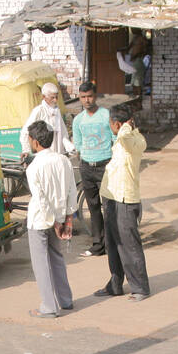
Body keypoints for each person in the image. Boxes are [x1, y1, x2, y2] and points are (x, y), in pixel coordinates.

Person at [24, 120, 77, 319]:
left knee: (41, 264)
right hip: (59, 217)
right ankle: (65, 300)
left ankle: (49, 306)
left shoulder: (34, 167)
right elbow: (72, 190)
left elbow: (41, 200)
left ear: (35, 142)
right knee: (56, 258)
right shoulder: (63, 161)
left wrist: (54, 222)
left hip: (40, 221)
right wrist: (66, 219)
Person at [97, 105, 150, 301]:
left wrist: (125, 126)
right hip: (111, 196)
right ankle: (115, 284)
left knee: (129, 246)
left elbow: (125, 139)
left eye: (111, 124)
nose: (110, 127)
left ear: (117, 124)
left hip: (126, 200)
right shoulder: (123, 138)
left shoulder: (135, 139)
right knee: (113, 244)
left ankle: (140, 288)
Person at [71, 81, 112, 258]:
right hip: (87, 167)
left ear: (95, 96)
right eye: (83, 97)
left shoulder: (106, 115)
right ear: (80, 98)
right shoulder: (78, 120)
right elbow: (78, 143)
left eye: (89, 96)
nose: (87, 100)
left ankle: (112, 245)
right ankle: (98, 244)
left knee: (109, 207)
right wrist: (84, 159)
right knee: (93, 207)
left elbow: (115, 138)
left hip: (105, 166)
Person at [21, 82, 73, 157]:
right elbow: (25, 132)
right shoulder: (39, 111)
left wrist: (70, 147)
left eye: (56, 97)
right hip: (43, 155)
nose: (55, 100)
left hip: (57, 154)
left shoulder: (56, 111)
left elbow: (63, 134)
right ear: (44, 97)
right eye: (52, 97)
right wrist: (26, 150)